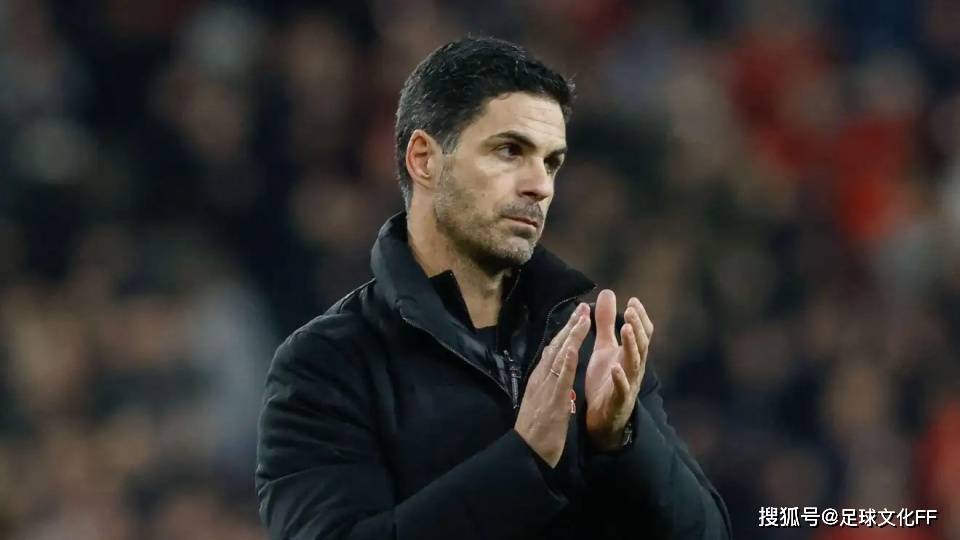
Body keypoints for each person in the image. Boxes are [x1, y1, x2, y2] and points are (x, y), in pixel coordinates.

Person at [256, 36, 732, 540]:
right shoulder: (327, 363)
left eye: (551, 162)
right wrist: (526, 463)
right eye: (510, 151)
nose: (540, 186)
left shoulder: (591, 347)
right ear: (424, 159)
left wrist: (620, 439)